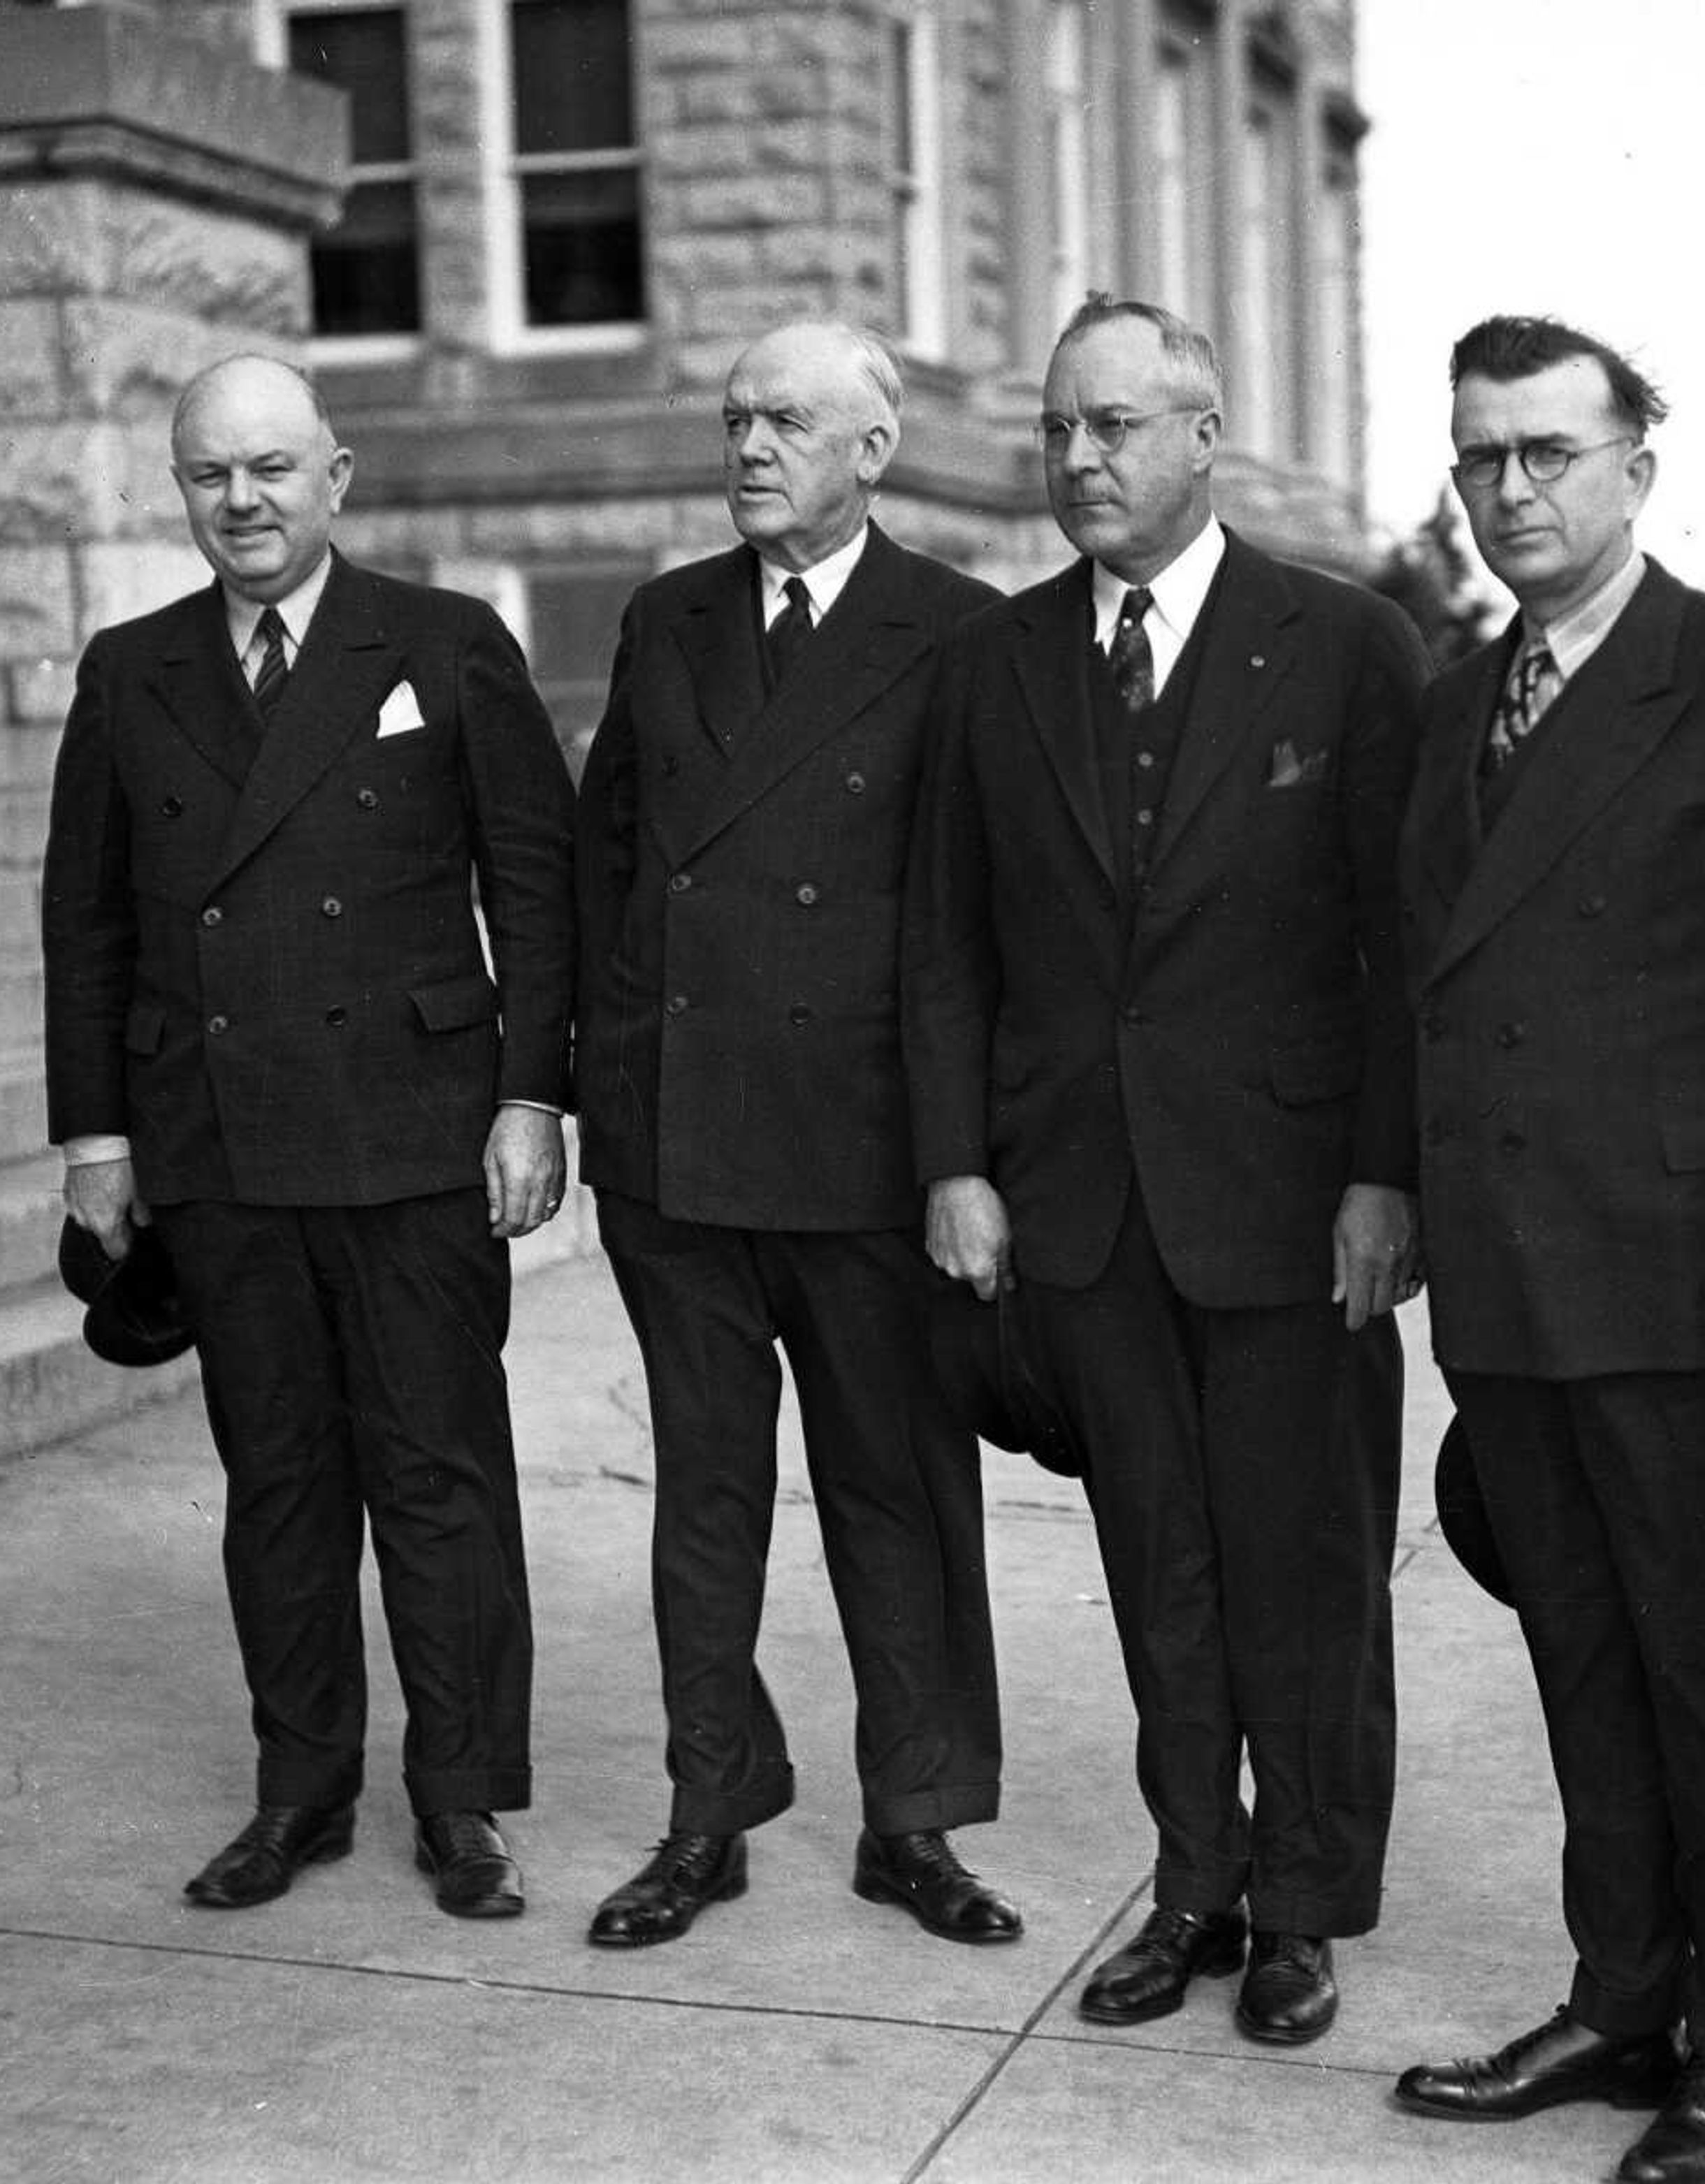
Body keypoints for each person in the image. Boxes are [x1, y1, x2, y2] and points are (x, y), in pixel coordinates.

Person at [904, 294, 1428, 2046]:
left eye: (1116, 427)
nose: (1080, 460)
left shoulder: (1346, 647)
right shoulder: (996, 662)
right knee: (1161, 1568)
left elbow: (1402, 944)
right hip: (1085, 1204)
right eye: (1059, 430)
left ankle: (1305, 1912)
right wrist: (959, 1165)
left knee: (1309, 1572)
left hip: (1293, 1212)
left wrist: (1384, 1178)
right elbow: (950, 943)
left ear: (1206, 436)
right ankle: (1196, 1884)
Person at [1391, 316, 1705, 2184]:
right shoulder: (1456, 702)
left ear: (1637, 470)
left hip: (1691, 1290)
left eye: (1549, 455)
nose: (1511, 489)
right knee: (1588, 1661)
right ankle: (1626, 1994)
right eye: (1481, 458)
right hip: (1515, 1284)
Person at [41, 354, 576, 1921]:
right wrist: (96, 1134)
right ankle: (301, 1789)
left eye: (274, 469)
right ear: (180, 491)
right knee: (276, 1479)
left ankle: (464, 1799)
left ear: (337, 478)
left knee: (438, 1475)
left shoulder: (448, 643)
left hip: (414, 1137)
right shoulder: (130, 669)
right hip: (217, 1140)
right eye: (212, 474)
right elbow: (85, 924)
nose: (244, 501)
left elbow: (535, 885)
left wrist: (531, 1099)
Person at [571, 321, 1017, 1951]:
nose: (751, 448)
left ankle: (916, 1825)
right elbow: (603, 852)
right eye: (738, 420)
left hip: (864, 1150)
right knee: (705, 1494)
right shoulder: (666, 616)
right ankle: (709, 1811)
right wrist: (569, 1083)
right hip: (677, 1141)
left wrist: (965, 1155)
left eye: (788, 423)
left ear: (874, 451)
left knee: (896, 1490)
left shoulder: (960, 634)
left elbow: (976, 920)